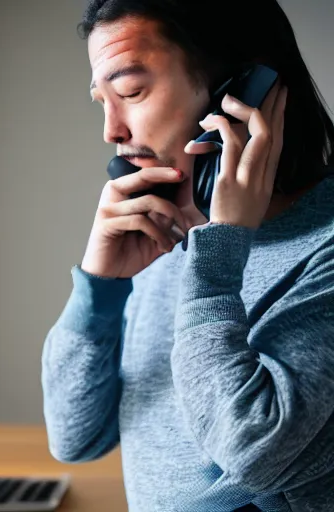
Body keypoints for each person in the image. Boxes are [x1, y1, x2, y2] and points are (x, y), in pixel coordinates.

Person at [41, 1, 334, 510]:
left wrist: (218, 261)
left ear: (242, 92)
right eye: (101, 101)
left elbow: (253, 450)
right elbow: (75, 437)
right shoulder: (171, 241)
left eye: (131, 92)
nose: (111, 130)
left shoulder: (318, 252)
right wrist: (99, 291)